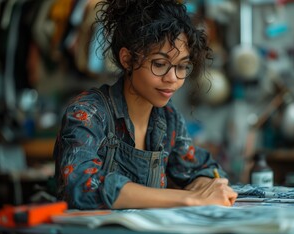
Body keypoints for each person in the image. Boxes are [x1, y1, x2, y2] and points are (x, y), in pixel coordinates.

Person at [53, 0, 237, 210]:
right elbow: (81, 186)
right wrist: (190, 199)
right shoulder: (88, 113)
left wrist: (205, 188)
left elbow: (202, 169)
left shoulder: (168, 119)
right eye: (160, 64)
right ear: (127, 59)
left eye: (182, 66)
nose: (172, 78)